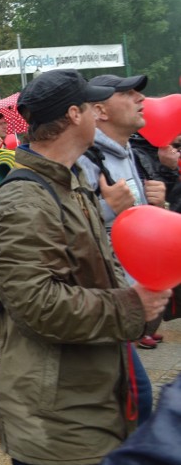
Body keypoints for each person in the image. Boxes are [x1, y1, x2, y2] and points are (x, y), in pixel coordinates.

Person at [0, 69, 172, 465]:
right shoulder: (23, 201)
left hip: (85, 396)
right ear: (74, 115)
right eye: (90, 106)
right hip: (54, 420)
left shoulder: (71, 181)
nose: (98, 112)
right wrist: (132, 305)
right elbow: (39, 306)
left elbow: (94, 270)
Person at [75, 73, 165, 423]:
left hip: (128, 297)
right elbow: (62, 230)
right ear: (100, 110)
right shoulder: (84, 158)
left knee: (130, 403)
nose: (140, 99)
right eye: (127, 93)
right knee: (135, 399)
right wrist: (107, 208)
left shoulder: (128, 152)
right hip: (103, 301)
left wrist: (156, 206)